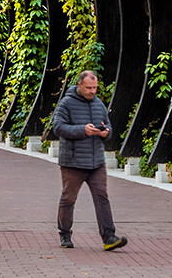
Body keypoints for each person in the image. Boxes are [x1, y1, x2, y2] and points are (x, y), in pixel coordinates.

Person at [52, 70, 127, 251]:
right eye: (89, 88)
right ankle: (65, 234)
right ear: (79, 85)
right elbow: (58, 127)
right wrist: (82, 130)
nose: (93, 91)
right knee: (69, 198)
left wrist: (105, 132)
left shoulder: (99, 104)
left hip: (96, 162)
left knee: (102, 197)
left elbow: (107, 125)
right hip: (72, 162)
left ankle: (109, 237)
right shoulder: (66, 103)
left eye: (94, 87)